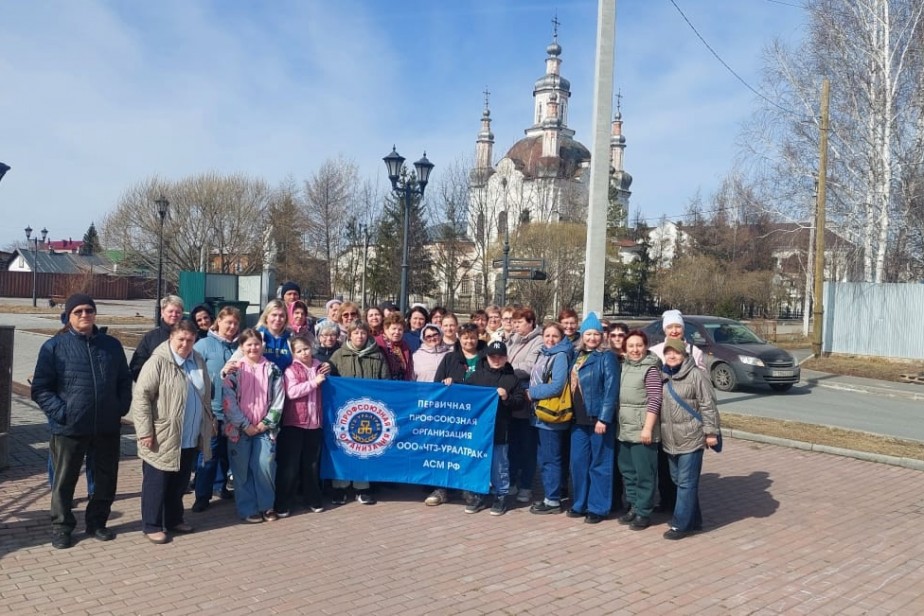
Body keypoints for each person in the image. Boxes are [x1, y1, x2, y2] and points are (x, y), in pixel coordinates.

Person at [31, 293, 132, 549]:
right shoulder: (55, 347)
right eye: (78, 312)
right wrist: (63, 413)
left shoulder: (111, 346)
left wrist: (119, 408)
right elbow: (41, 389)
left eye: (89, 310)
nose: (85, 315)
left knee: (106, 479)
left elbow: (123, 380)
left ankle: (97, 522)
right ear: (69, 316)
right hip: (69, 427)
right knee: (65, 480)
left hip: (106, 426)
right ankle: (62, 526)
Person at [132, 320, 214, 544]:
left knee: (179, 481)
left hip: (189, 433)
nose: (185, 344)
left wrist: (208, 424)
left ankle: (174, 519)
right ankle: (152, 524)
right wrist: (145, 431)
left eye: (190, 340)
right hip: (162, 434)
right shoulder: (158, 362)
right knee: (157, 483)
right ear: (171, 338)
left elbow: (205, 393)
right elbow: (141, 398)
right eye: (181, 339)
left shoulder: (197, 360)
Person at [443, 340, 524, 516]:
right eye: (492, 356)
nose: (496, 359)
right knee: (478, 463)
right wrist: (451, 383)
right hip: (477, 432)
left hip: (500, 430)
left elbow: (520, 402)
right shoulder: (477, 376)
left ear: (506, 357)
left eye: (500, 356)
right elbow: (463, 395)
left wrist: (506, 397)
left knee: (499, 466)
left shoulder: (512, 378)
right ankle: (478, 495)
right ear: (487, 357)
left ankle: (500, 496)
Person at [222, 328, 285, 523]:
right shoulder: (233, 371)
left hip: (264, 429)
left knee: (265, 465)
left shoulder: (273, 369)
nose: (253, 348)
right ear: (241, 347)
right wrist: (245, 425)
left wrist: (265, 423)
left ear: (262, 345)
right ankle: (248, 508)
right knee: (241, 470)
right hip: (239, 430)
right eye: (248, 344)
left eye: (257, 344)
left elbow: (279, 399)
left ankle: (267, 506)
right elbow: (228, 401)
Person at [660, 337, 720, 540]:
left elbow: (708, 404)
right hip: (670, 439)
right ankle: (694, 519)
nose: (671, 356)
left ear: (684, 354)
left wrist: (711, 432)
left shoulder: (696, 375)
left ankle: (680, 525)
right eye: (668, 352)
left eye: (675, 352)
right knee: (679, 480)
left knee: (685, 482)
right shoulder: (664, 375)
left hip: (692, 437)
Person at [328, 321, 390, 504]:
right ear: (349, 335)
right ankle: (340, 487)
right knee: (343, 448)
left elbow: (385, 381)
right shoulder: (339, 355)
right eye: (356, 333)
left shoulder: (377, 356)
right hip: (344, 411)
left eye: (362, 333)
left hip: (369, 411)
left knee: (364, 448)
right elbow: (330, 380)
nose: (359, 336)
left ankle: (362, 487)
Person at [650, 309, 705, 513]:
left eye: (678, 327)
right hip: (662, 419)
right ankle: (667, 502)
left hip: (685, 421)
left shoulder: (695, 351)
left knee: (685, 475)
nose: (674, 331)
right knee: (665, 467)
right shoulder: (655, 351)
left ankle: (687, 514)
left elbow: (703, 388)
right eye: (670, 327)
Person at [428, 323, 487, 508]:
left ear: (478, 338)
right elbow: (437, 384)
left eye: (472, 337)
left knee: (470, 452)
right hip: (452, 415)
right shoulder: (450, 358)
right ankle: (442, 489)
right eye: (465, 337)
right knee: (446, 451)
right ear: (459, 338)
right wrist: (446, 383)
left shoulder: (486, 359)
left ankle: (469, 488)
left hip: (476, 416)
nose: (469, 341)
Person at [567, 313, 619, 524]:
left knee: (599, 464)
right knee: (578, 463)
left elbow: (611, 389)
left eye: (596, 334)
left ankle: (598, 507)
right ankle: (580, 503)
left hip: (597, 418)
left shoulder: (606, 357)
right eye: (588, 333)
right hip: (577, 419)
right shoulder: (576, 355)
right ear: (582, 335)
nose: (592, 338)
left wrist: (604, 419)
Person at [190, 306, 241, 513]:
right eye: (228, 322)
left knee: (226, 455)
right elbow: (193, 373)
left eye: (236, 323)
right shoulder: (204, 345)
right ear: (218, 322)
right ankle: (202, 495)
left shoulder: (239, 346)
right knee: (208, 456)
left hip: (233, 413)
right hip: (211, 411)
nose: (231, 327)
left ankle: (221, 487)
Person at [525, 321, 574, 515]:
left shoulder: (560, 355)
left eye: (555, 336)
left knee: (550, 459)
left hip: (551, 416)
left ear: (561, 337)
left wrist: (532, 392)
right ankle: (554, 494)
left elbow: (557, 386)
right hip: (540, 414)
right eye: (547, 336)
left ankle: (552, 500)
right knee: (547, 457)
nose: (550, 339)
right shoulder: (545, 353)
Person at [275, 334, 327, 517]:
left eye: (306, 349)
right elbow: (292, 392)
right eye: (299, 350)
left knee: (311, 464)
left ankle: (312, 498)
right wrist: (314, 382)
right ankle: (283, 502)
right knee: (290, 465)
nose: (304, 353)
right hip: (295, 423)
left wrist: (324, 372)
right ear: (293, 353)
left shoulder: (320, 366)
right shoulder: (291, 370)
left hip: (315, 423)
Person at [616, 329, 663, 531]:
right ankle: (634, 506)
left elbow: (655, 400)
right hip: (624, 429)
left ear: (646, 347)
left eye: (639, 345)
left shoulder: (650, 369)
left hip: (643, 430)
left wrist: (648, 428)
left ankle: (644, 512)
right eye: (631, 346)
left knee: (645, 473)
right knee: (628, 471)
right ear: (625, 349)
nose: (635, 350)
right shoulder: (624, 367)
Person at [506, 306, 543, 503]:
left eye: (519, 322)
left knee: (527, 444)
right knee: (512, 443)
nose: (516, 326)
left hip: (526, 397)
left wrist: (505, 370)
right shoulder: (511, 339)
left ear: (531, 323)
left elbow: (529, 367)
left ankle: (527, 485)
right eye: (514, 322)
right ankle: (511, 480)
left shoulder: (538, 341)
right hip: (511, 396)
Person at [130, 295, 185, 381]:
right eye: (170, 311)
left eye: (178, 312)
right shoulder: (151, 337)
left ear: (182, 314)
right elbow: (136, 366)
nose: (174, 315)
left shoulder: (189, 337)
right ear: (162, 312)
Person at [256, 299, 293, 371]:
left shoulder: (291, 337)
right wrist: (232, 363)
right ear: (266, 317)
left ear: (286, 319)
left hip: (286, 380)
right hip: (262, 380)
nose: (278, 319)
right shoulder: (256, 335)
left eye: (282, 316)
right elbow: (241, 353)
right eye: (274, 315)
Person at [375, 313, 414, 381]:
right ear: (386, 329)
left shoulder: (405, 346)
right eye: (394, 329)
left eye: (400, 329)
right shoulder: (377, 343)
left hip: (402, 386)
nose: (397, 332)